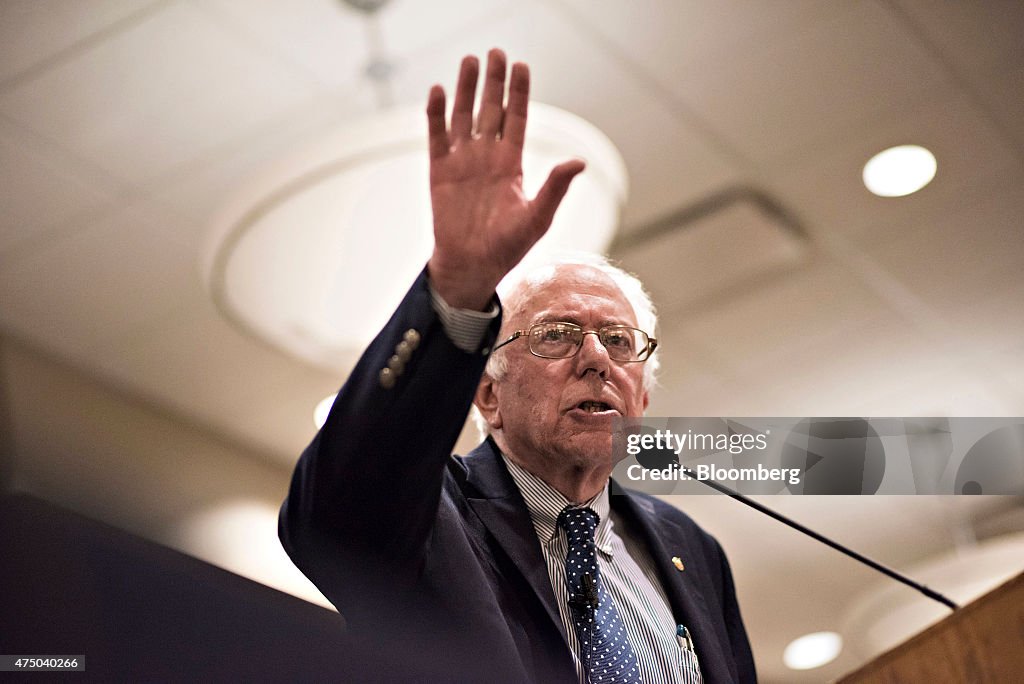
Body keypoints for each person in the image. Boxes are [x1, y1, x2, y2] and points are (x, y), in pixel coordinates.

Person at [279, 49, 756, 683]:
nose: (595, 359)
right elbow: (335, 513)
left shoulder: (690, 548)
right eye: (557, 336)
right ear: (487, 394)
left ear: (641, 397)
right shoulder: (430, 517)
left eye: (619, 341)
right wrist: (458, 288)